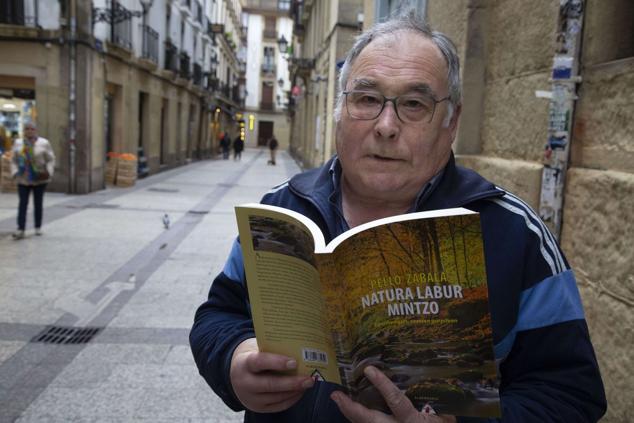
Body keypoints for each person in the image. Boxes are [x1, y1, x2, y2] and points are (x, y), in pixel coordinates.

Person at [190, 12, 606, 423]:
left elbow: (571, 395)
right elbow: (219, 315)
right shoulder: (281, 210)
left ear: (451, 121)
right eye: (367, 99)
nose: (386, 126)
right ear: (340, 109)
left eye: (413, 104)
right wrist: (233, 359)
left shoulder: (516, 234)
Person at [10, 122, 56, 240]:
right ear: (24, 131)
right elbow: (13, 160)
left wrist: (49, 172)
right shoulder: (18, 143)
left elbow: (51, 159)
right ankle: (21, 228)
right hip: (23, 178)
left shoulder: (43, 143)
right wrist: (15, 172)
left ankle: (37, 226)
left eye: (32, 129)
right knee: (23, 203)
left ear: (36, 130)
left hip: (39, 178)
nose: (29, 131)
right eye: (27, 129)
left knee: (38, 203)